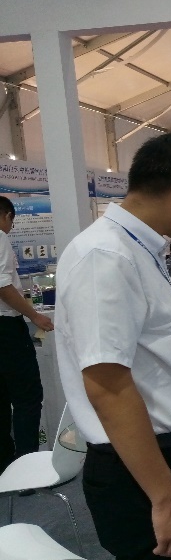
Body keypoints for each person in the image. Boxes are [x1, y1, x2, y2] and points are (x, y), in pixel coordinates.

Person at [54, 133, 171, 560]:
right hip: (144, 469)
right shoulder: (105, 256)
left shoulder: (138, 248)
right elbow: (107, 387)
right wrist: (164, 498)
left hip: (167, 455)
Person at [0, 196, 54, 473]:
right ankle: (26, 467)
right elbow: (3, 286)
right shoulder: (0, 236)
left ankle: (6, 465)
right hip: (6, 329)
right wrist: (35, 316)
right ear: (8, 216)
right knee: (27, 397)